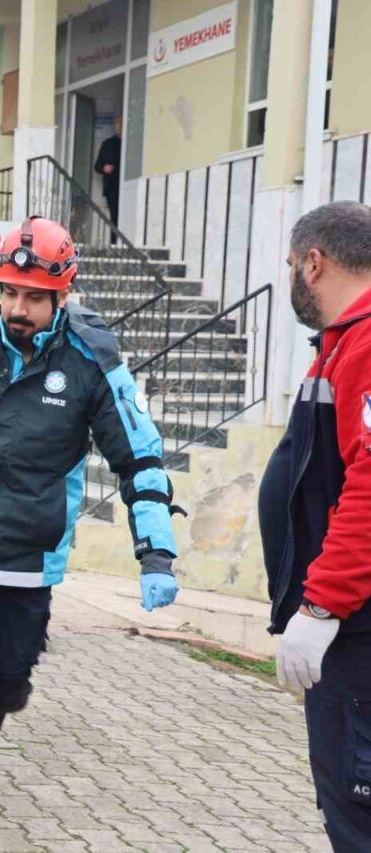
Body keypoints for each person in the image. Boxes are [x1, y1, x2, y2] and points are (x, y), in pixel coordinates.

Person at [0, 216, 181, 852]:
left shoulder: (92, 362)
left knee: (4, 686)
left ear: (61, 296)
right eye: (10, 293)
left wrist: (155, 548)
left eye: (34, 298)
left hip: (29, 556)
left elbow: (138, 453)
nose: (19, 308)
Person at [261, 201, 371, 851]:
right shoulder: (341, 343)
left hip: (357, 636)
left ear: (313, 262)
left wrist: (323, 605)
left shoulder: (365, 341)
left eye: (290, 268)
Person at [94, 115, 123, 227]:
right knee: (114, 218)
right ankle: (114, 242)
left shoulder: (132, 144)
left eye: (121, 123)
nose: (119, 126)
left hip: (128, 186)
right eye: (116, 123)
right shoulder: (108, 144)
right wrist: (104, 168)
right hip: (112, 187)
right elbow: (97, 166)